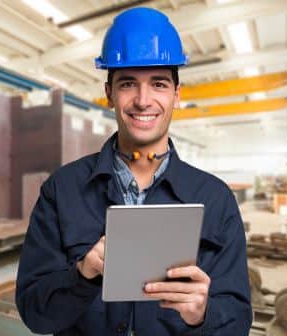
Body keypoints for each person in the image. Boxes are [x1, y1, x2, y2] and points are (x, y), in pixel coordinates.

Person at [16, 7, 251, 336]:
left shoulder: (215, 199)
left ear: (176, 95)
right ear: (109, 93)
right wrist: (82, 275)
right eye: (128, 83)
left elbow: (238, 321)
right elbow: (34, 313)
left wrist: (203, 313)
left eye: (158, 83)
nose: (143, 100)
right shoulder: (62, 190)